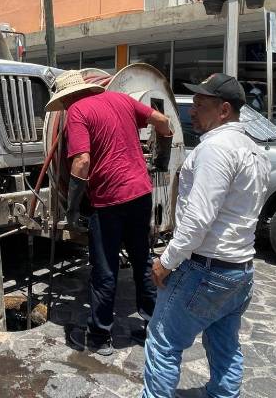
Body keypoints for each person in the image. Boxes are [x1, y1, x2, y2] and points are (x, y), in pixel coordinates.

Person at [142, 73, 271, 398]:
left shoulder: (216, 149)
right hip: (239, 271)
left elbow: (198, 220)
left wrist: (166, 261)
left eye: (200, 105)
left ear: (224, 110)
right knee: (224, 343)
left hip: (206, 270)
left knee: (162, 341)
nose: (192, 112)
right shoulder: (255, 151)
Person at [46, 70, 173, 357]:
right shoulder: (121, 99)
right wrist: (163, 156)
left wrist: (72, 207)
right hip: (141, 194)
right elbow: (163, 122)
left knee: (105, 271)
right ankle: (153, 328)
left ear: (68, 99)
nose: (64, 109)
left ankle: (100, 337)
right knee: (142, 262)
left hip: (109, 202)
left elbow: (81, 162)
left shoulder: (77, 111)